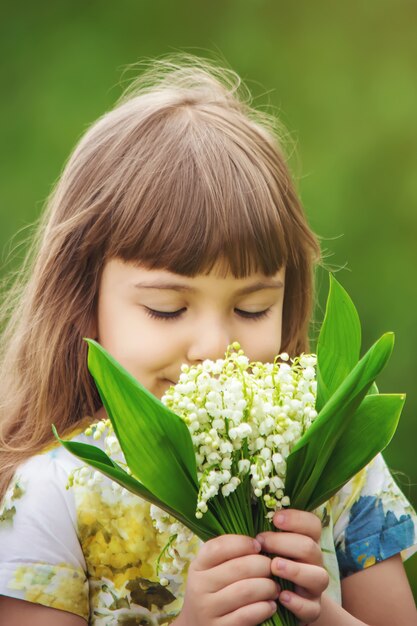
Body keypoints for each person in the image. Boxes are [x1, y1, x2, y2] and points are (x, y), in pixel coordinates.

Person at [0, 55, 416, 626]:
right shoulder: (57, 493)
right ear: (83, 300)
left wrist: (320, 615)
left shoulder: (338, 463)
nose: (217, 346)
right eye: (167, 309)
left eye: (252, 307)